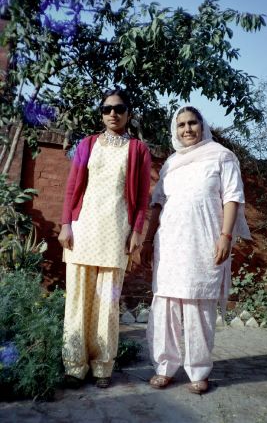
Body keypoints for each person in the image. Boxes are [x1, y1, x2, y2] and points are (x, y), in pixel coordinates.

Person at [141, 105, 251, 394]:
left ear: (203, 126)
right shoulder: (171, 164)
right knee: (164, 306)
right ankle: (164, 367)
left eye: (192, 123)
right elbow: (157, 204)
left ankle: (198, 370)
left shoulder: (221, 156)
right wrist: (147, 239)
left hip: (203, 243)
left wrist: (226, 236)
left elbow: (233, 197)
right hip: (170, 245)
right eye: (181, 125)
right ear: (174, 130)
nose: (187, 129)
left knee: (198, 305)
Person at [58, 88, 151, 388]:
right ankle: (74, 366)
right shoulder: (86, 144)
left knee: (107, 304)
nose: (113, 113)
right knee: (77, 300)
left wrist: (137, 231)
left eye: (120, 108)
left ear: (129, 113)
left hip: (115, 234)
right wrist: (65, 225)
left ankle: (102, 367)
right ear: (101, 113)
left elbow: (141, 198)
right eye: (107, 108)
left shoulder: (138, 150)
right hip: (83, 229)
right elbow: (72, 188)